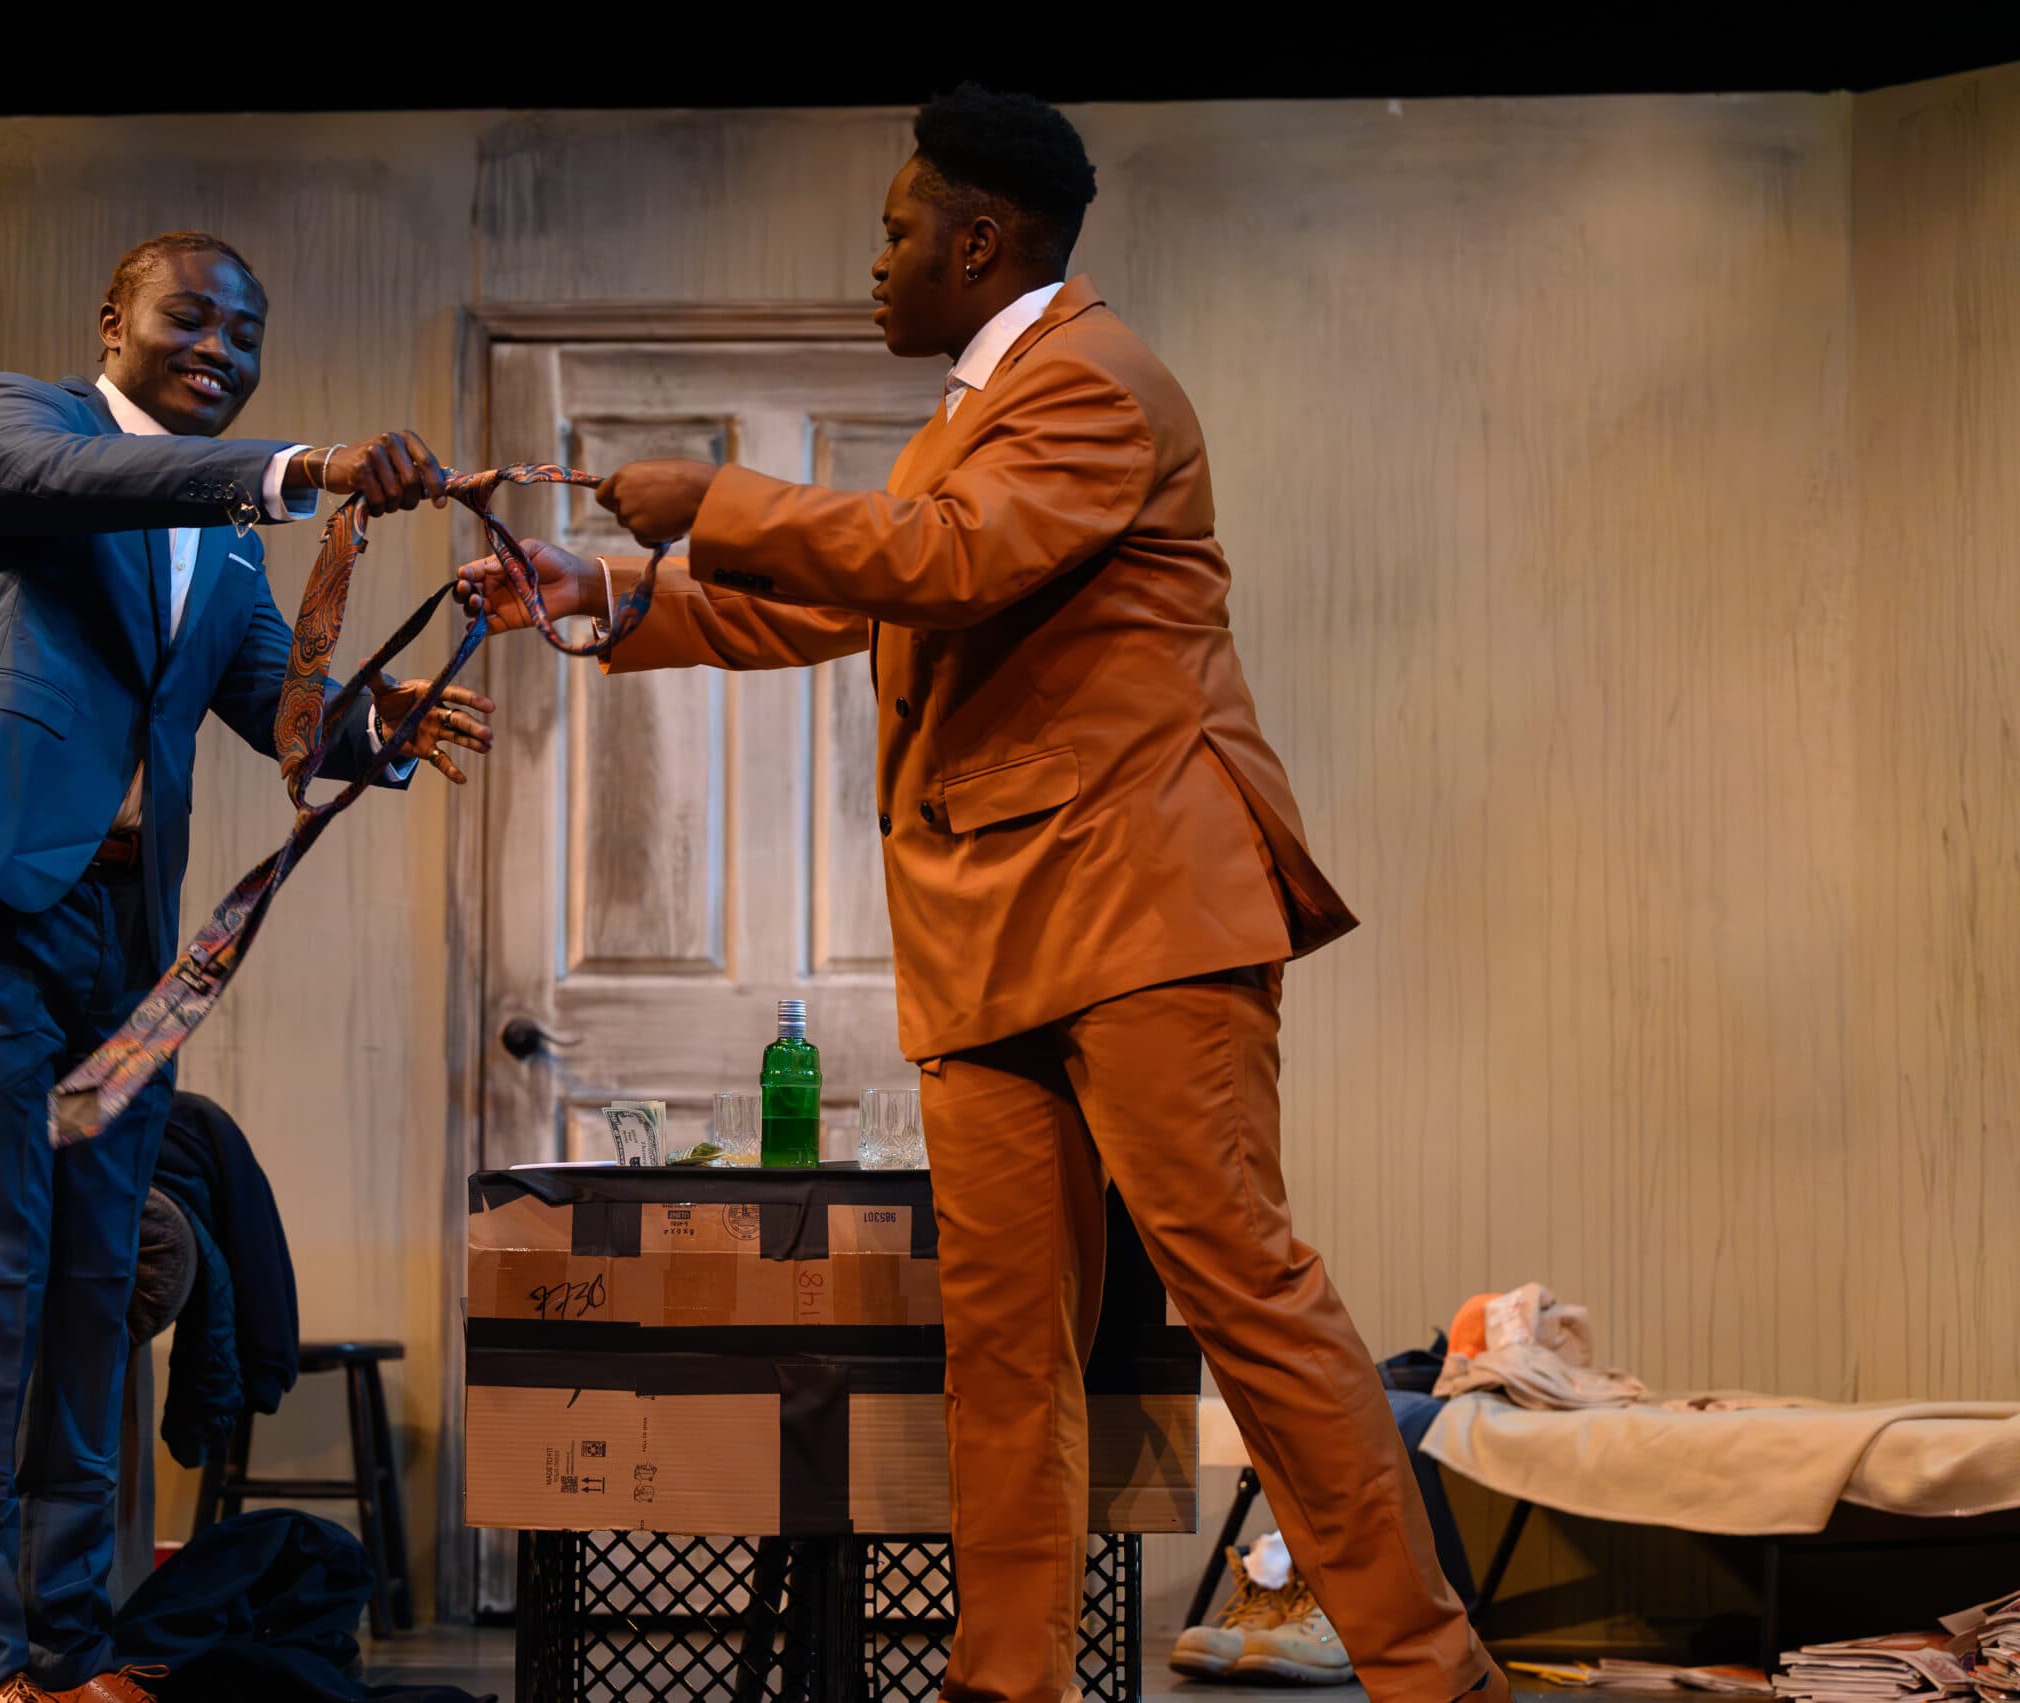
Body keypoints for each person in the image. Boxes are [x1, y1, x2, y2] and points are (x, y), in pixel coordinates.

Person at [460, 88, 1507, 1703]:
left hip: (1141, 912)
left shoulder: (1092, 380)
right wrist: (600, 588)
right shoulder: (977, 412)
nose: (876, 262)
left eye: (897, 232)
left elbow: (944, 560)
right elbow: (871, 591)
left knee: (1247, 1296)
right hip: (992, 936)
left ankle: (1436, 1675)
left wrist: (719, 501)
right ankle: (1008, 1681)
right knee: (1006, 1342)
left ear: (980, 239)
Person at [0, 230, 488, 1703]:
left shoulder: (222, 547)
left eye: (246, 333)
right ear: (114, 320)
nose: (221, 348)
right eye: (191, 317)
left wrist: (388, 719)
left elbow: (282, 712)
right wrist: (303, 469)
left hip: (130, 962)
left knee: (95, 1282)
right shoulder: (11, 422)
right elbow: (70, 482)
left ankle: (70, 1648)